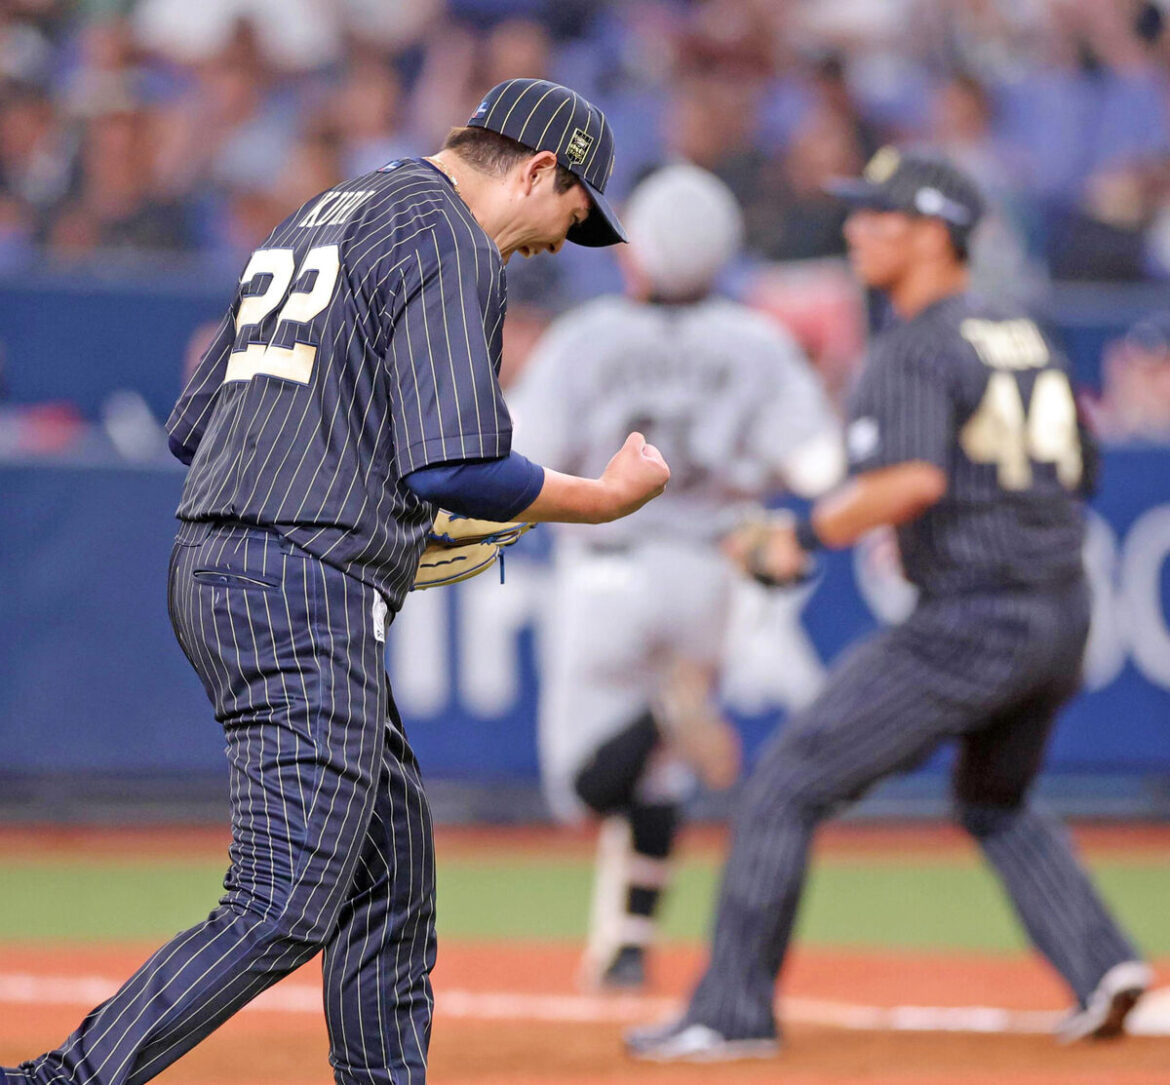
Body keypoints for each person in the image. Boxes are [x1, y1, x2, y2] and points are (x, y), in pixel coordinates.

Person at [0, 77, 669, 1085]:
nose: (550, 248)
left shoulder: (320, 213)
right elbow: (454, 467)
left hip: (222, 560)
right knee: (283, 896)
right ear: (538, 167)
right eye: (567, 218)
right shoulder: (449, 237)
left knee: (389, 866)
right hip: (301, 580)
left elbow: (194, 425)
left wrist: (353, 490)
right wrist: (599, 497)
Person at [626, 147, 1152, 1062]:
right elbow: (1085, 468)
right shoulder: (1021, 328)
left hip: (973, 616)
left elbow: (909, 479)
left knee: (786, 782)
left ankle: (732, 1012)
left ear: (935, 233)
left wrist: (802, 534)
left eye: (881, 216)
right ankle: (1103, 963)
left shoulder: (912, 343)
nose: (857, 229)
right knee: (996, 798)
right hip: (1062, 611)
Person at [508, 163, 843, 991]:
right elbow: (818, 464)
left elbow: (520, 452)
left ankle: (664, 712)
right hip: (711, 572)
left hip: (606, 570)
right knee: (658, 777)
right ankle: (626, 944)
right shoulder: (758, 340)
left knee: (586, 786)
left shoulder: (586, 337)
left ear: (636, 249)